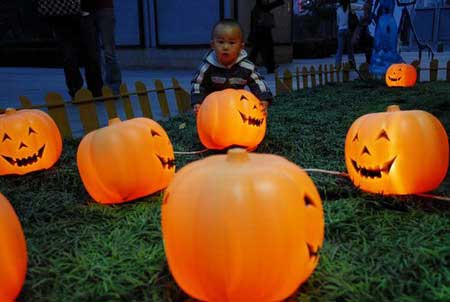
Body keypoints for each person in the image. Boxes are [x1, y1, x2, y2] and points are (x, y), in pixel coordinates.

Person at [191, 19, 273, 114]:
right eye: (221, 42)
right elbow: (198, 84)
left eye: (231, 43)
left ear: (241, 47)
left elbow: (258, 82)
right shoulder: (207, 66)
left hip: (237, 106)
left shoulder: (246, 67)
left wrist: (263, 98)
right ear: (213, 45)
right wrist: (197, 102)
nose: (225, 47)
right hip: (213, 108)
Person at [48, 0, 103, 98]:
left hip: (75, 14)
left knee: (88, 54)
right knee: (71, 57)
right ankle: (78, 90)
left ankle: (93, 89)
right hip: (63, 16)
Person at [89, 0, 122, 95]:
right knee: (93, 52)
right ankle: (98, 87)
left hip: (104, 8)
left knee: (109, 52)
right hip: (87, 10)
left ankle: (114, 87)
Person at [248, 0, 285, 73]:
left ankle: (270, 66)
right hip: (261, 34)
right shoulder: (259, 9)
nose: (265, 1)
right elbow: (253, 25)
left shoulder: (258, 9)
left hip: (263, 34)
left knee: (262, 51)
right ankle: (270, 66)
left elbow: (252, 25)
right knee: (262, 51)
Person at [335, 0, 355, 68]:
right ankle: (352, 64)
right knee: (350, 49)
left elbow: (337, 22)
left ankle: (337, 64)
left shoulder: (338, 9)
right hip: (347, 29)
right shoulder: (349, 8)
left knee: (340, 49)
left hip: (340, 30)